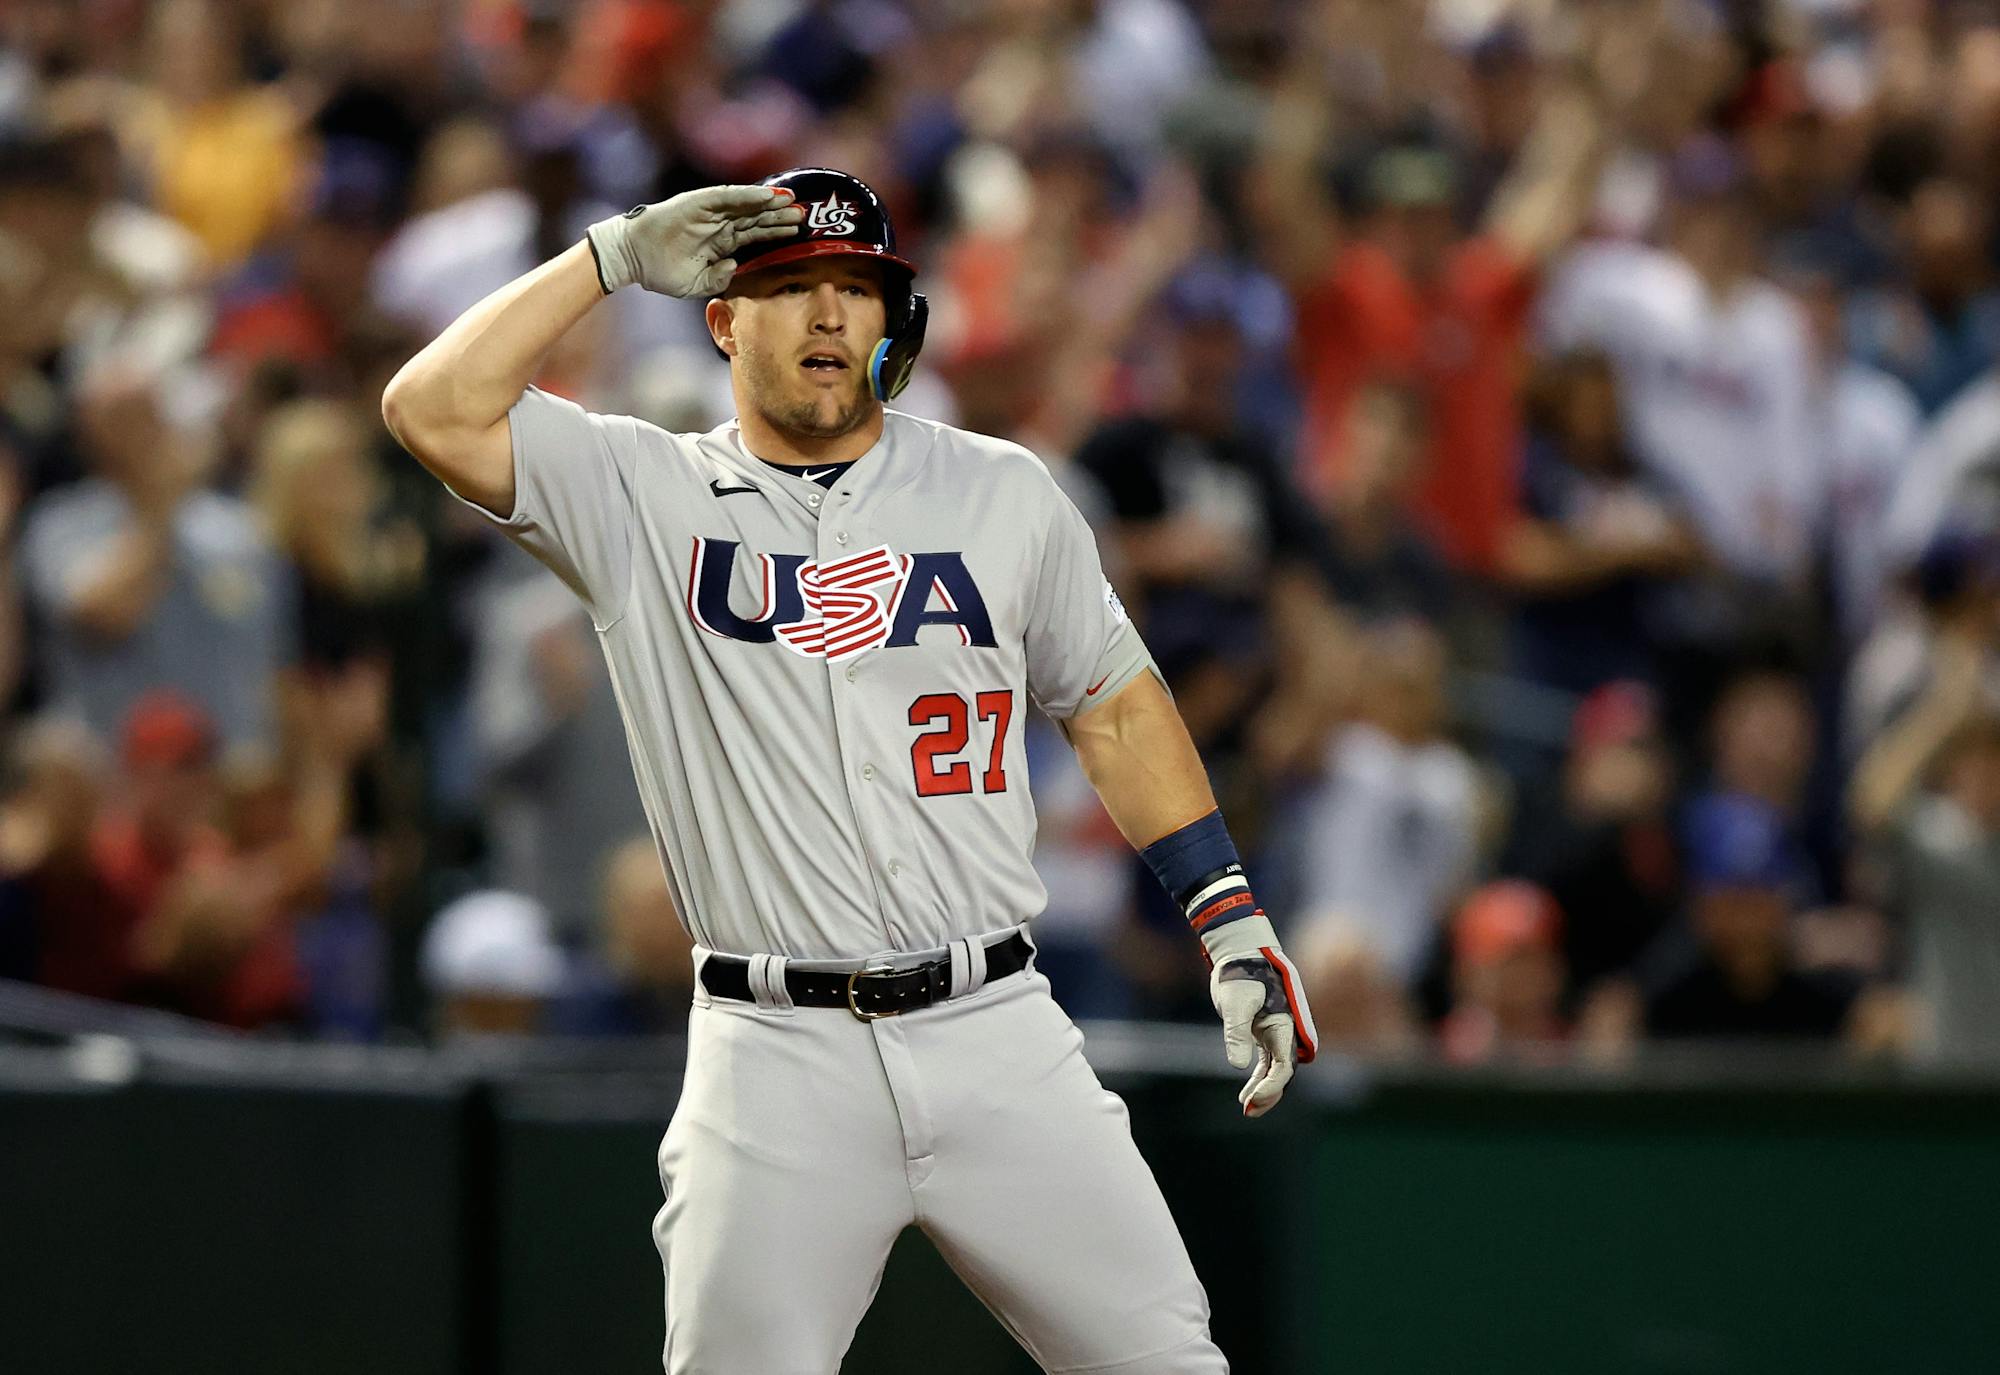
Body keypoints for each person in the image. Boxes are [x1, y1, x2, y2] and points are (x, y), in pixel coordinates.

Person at [382, 167, 1316, 1372]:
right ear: (722, 320)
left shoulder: (1000, 490)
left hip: (997, 1028)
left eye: (855, 288)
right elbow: (430, 407)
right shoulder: (642, 494)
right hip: (774, 1054)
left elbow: (1113, 706)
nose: (829, 315)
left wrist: (1227, 914)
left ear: (894, 323)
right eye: (790, 287)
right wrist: (609, 255)